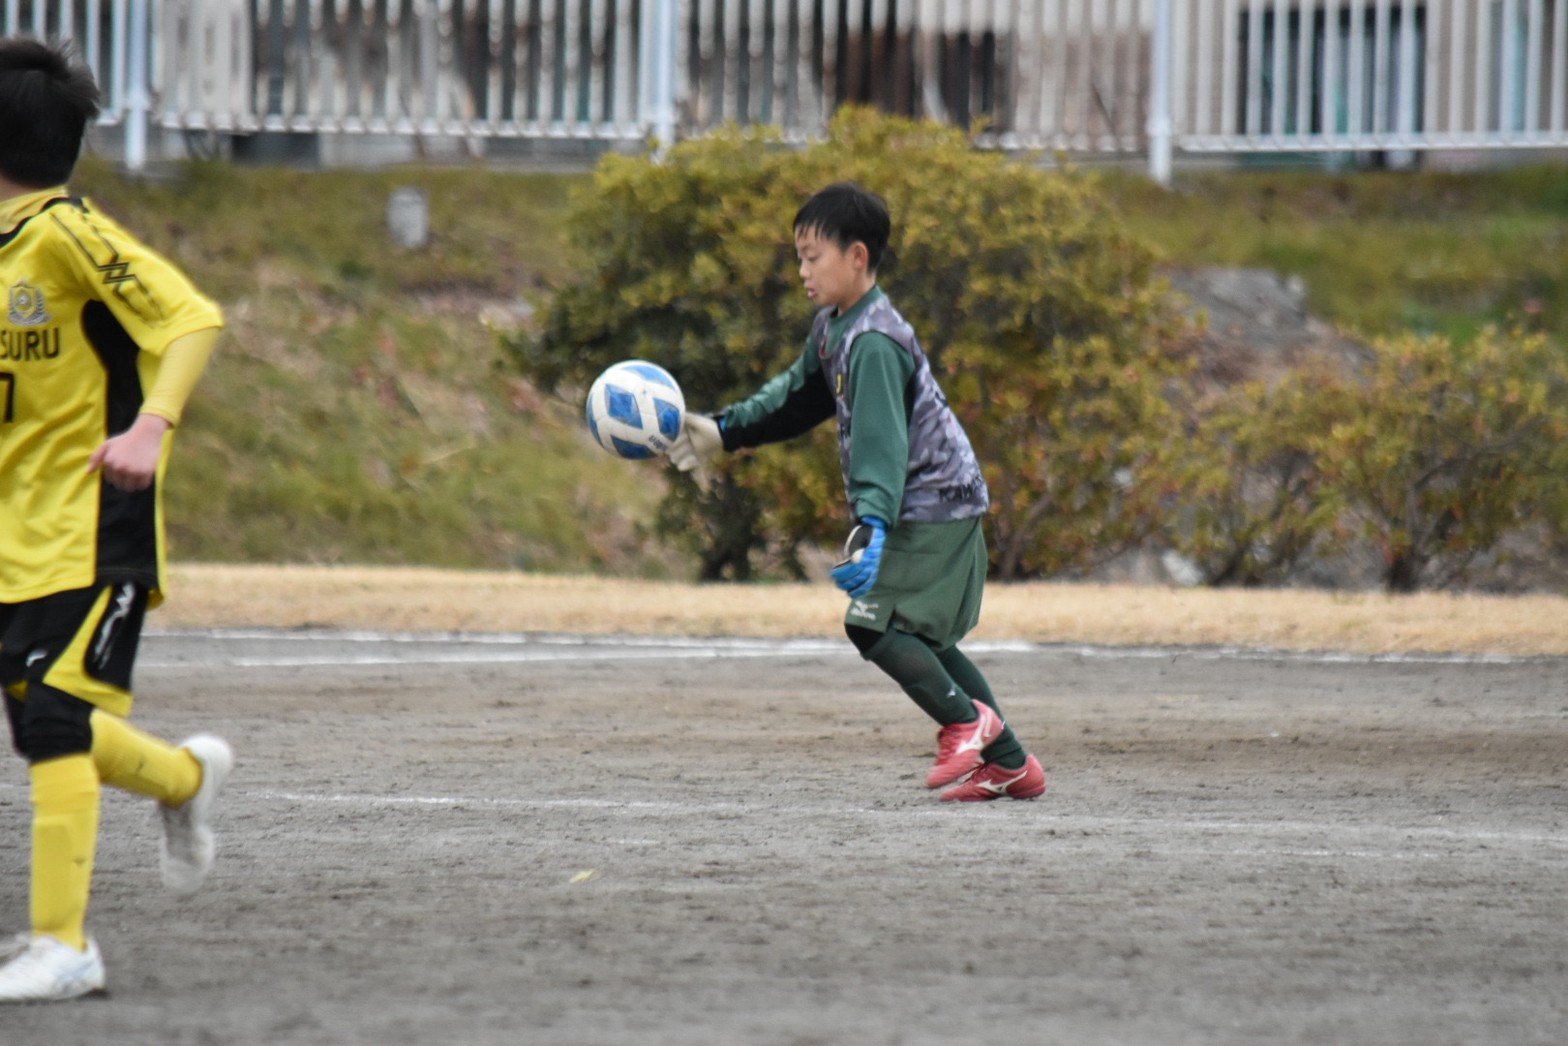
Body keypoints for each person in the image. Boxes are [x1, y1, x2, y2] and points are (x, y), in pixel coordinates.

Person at [669, 182, 1045, 803]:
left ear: (858, 257)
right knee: (924, 641)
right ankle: (1008, 763)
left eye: (812, 256)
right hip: (938, 504)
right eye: (798, 256)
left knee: (871, 625)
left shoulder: (872, 341)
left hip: (934, 506)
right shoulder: (835, 328)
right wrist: (725, 429)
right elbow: (795, 398)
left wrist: (871, 525)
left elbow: (881, 445)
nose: (802, 270)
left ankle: (967, 724)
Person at [0, 37, 232, 1003]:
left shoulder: (66, 234)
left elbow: (189, 319)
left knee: (53, 715)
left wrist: (151, 426)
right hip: (13, 538)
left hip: (93, 526)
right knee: (42, 722)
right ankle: (182, 780)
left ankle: (66, 946)